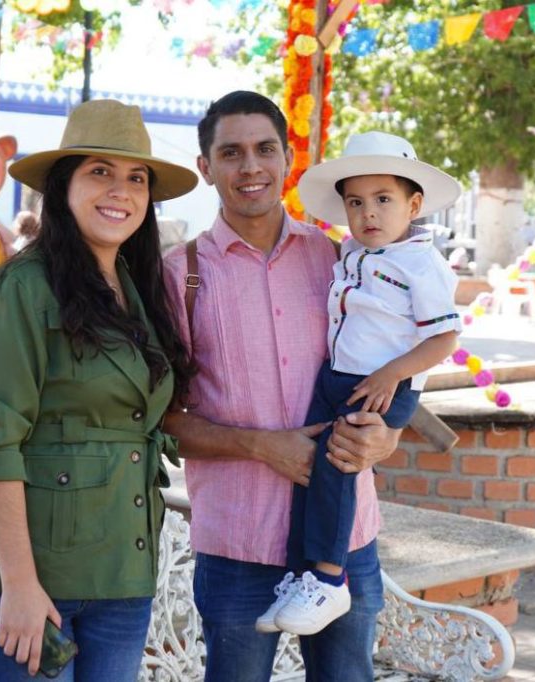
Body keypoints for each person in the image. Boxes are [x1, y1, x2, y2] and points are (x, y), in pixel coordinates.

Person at [0, 99, 197, 681]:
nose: (121, 191)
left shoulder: (137, 290)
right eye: (100, 172)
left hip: (121, 572)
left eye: (136, 178)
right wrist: (18, 583)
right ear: (63, 186)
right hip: (34, 579)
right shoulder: (19, 290)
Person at [161, 91, 401, 681]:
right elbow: (162, 421)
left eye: (265, 149)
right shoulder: (180, 275)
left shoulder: (341, 261)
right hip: (239, 544)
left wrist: (387, 437)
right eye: (231, 153)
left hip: (345, 538)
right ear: (206, 167)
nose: (251, 167)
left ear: (288, 158)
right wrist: (262, 446)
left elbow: (392, 368)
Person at [260, 131, 463, 636]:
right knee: (307, 469)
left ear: (413, 205)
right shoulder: (353, 251)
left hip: (382, 384)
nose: (368, 212)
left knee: (337, 467)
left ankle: (330, 579)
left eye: (383, 199)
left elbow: (444, 339)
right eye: (355, 202)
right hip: (338, 376)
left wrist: (391, 375)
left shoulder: (421, 263)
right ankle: (302, 576)